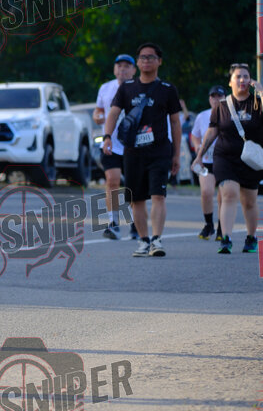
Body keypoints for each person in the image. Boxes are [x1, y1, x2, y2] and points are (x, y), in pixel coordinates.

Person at [102, 43, 182, 257]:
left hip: (160, 151)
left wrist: (176, 154)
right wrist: (107, 136)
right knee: (136, 199)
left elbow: (175, 122)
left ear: (159, 61)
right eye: (143, 57)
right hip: (133, 152)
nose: (146, 61)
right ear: (138, 62)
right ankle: (144, 240)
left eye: (151, 57)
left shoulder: (167, 89)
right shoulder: (127, 88)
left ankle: (156, 239)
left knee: (158, 196)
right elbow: (113, 113)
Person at [192, 64, 263, 254]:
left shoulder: (257, 102)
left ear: (251, 80)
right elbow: (212, 131)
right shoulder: (222, 106)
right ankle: (226, 238)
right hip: (225, 157)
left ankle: (251, 237)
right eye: (238, 76)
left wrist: (261, 92)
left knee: (249, 201)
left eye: (246, 76)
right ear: (230, 82)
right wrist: (199, 156)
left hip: (251, 159)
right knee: (229, 194)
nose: (242, 80)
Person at [93, 54, 136, 240]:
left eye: (127, 66)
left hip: (133, 144)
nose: (122, 69)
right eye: (119, 66)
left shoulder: (139, 87)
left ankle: (136, 223)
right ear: (114, 69)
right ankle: (113, 222)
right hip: (110, 143)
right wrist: (97, 117)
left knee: (133, 185)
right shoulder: (105, 88)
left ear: (134, 70)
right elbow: (99, 110)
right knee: (112, 180)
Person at [190, 86, 226, 240]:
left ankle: (222, 227)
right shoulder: (202, 116)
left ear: (225, 98)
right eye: (213, 96)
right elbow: (194, 134)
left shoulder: (229, 114)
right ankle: (209, 224)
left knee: (223, 196)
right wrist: (198, 146)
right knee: (206, 192)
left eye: (219, 96)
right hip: (206, 160)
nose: (216, 99)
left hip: (224, 160)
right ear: (209, 99)